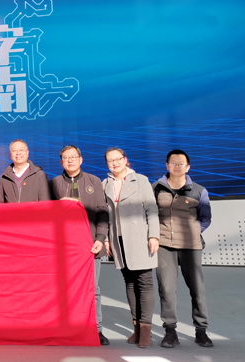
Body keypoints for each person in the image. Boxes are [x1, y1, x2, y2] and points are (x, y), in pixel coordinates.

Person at [49, 145, 110, 346]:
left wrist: (100, 238)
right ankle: (67, 328)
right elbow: (47, 214)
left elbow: (102, 211)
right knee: (64, 288)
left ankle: (96, 329)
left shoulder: (94, 181)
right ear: (61, 162)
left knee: (93, 289)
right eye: (66, 158)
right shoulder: (53, 184)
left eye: (73, 157)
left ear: (81, 159)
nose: (70, 160)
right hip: (63, 246)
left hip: (90, 244)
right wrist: (59, 204)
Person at [153, 149, 213, 348]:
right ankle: (170, 331)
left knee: (197, 289)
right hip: (164, 245)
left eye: (181, 163)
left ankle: (201, 330)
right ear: (167, 165)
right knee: (167, 289)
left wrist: (194, 232)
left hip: (190, 246)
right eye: (173, 163)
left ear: (188, 167)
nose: (177, 166)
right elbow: (150, 215)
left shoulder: (199, 191)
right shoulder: (156, 188)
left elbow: (205, 218)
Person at [102, 147, 159, 348]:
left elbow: (151, 209)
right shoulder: (105, 184)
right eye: (110, 160)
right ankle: (136, 328)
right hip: (118, 239)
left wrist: (154, 235)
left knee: (144, 281)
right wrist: (106, 239)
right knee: (129, 281)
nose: (115, 163)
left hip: (139, 237)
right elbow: (104, 214)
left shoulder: (140, 180)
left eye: (118, 159)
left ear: (125, 159)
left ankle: (146, 330)